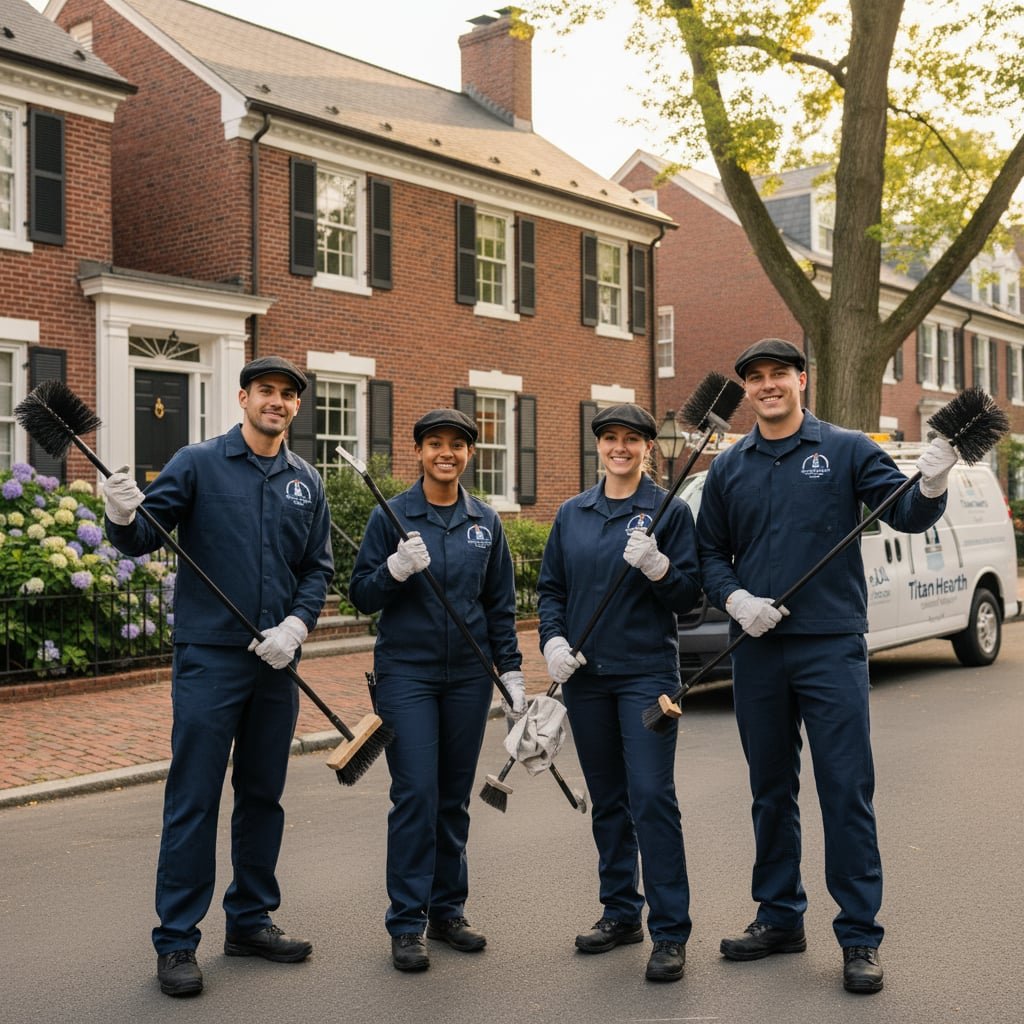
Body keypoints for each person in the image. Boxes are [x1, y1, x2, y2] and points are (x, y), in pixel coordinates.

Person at [695, 338, 957, 994]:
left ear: (802, 379)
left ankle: (860, 936)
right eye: (754, 377)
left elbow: (904, 513)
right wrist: (735, 599)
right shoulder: (730, 468)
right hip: (757, 649)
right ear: (747, 390)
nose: (767, 385)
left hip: (831, 645)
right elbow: (708, 553)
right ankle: (780, 916)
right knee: (770, 789)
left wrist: (933, 478)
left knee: (845, 790)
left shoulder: (844, 449)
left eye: (778, 373)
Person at [102, 355, 333, 998]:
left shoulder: (304, 481)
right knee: (195, 796)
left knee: (263, 794)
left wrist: (296, 627)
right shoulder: (198, 462)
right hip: (210, 657)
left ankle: (251, 920)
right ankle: (176, 940)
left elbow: (317, 569)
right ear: (242, 397)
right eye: (266, 391)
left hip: (275, 664)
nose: (277, 402)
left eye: (288, 395)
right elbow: (145, 536)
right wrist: (122, 515)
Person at [348, 408, 526, 972]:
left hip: (470, 676)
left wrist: (512, 672)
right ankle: (407, 922)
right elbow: (361, 595)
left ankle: (447, 911)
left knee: (452, 797)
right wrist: (395, 570)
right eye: (434, 444)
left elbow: (499, 606)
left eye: (456, 444)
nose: (445, 453)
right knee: (416, 795)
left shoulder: (485, 523)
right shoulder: (392, 516)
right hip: (408, 676)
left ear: (469, 454)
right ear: (419, 452)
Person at [536, 403, 702, 983]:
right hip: (586, 680)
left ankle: (671, 931)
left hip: (647, 677)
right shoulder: (571, 514)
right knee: (608, 799)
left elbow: (690, 598)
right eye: (610, 438)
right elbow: (550, 589)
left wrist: (659, 569)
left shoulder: (669, 512)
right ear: (599, 446)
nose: (620, 448)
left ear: (648, 448)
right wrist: (552, 641)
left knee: (652, 797)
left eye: (632, 439)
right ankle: (620, 911)